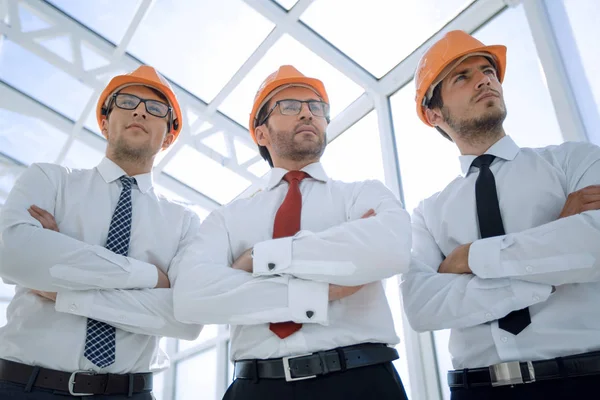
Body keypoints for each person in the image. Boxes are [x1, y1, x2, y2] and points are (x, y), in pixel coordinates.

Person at [172, 65, 411, 400]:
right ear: (260, 133)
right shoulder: (227, 218)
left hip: (363, 382)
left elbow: (392, 248)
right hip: (257, 388)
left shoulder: (363, 193)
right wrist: (317, 293)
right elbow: (191, 297)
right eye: (289, 106)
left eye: (316, 108)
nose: (307, 114)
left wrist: (260, 258)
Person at [400, 30, 600, 400]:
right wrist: (555, 246)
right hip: (477, 390)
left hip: (586, 380)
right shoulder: (427, 213)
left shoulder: (576, 161)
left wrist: (470, 258)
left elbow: (594, 245)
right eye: (463, 76)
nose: (484, 79)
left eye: (487, 70)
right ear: (433, 113)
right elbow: (422, 307)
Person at [0, 66, 203, 399]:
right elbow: (12, 255)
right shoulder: (50, 180)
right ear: (105, 122)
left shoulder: (184, 221)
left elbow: (187, 320)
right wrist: (150, 277)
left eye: (155, 109)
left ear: (168, 136)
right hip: (23, 387)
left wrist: (65, 289)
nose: (140, 110)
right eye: (127, 101)